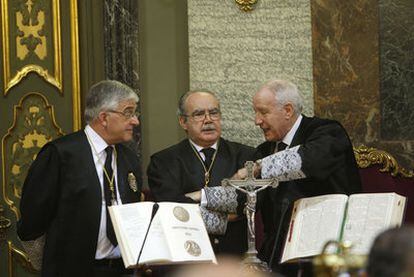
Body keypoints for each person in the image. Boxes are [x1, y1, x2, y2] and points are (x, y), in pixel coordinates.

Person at [193, 79, 361, 274]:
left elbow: (309, 160)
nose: (257, 120)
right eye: (255, 112)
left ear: (288, 110)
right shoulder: (264, 150)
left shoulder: (327, 132)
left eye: (263, 112)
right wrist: (197, 201)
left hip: (327, 252)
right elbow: (243, 201)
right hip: (278, 255)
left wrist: (256, 168)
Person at [17, 80, 142, 277]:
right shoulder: (61, 154)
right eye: (128, 112)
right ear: (104, 117)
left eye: (134, 113)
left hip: (122, 270)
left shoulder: (129, 158)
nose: (135, 121)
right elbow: (32, 220)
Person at [147, 90, 255, 256]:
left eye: (213, 113)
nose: (208, 120)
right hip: (186, 255)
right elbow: (173, 208)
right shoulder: (163, 161)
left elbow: (245, 204)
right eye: (199, 114)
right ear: (183, 122)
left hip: (234, 257)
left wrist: (198, 196)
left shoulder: (245, 156)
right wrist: (227, 217)